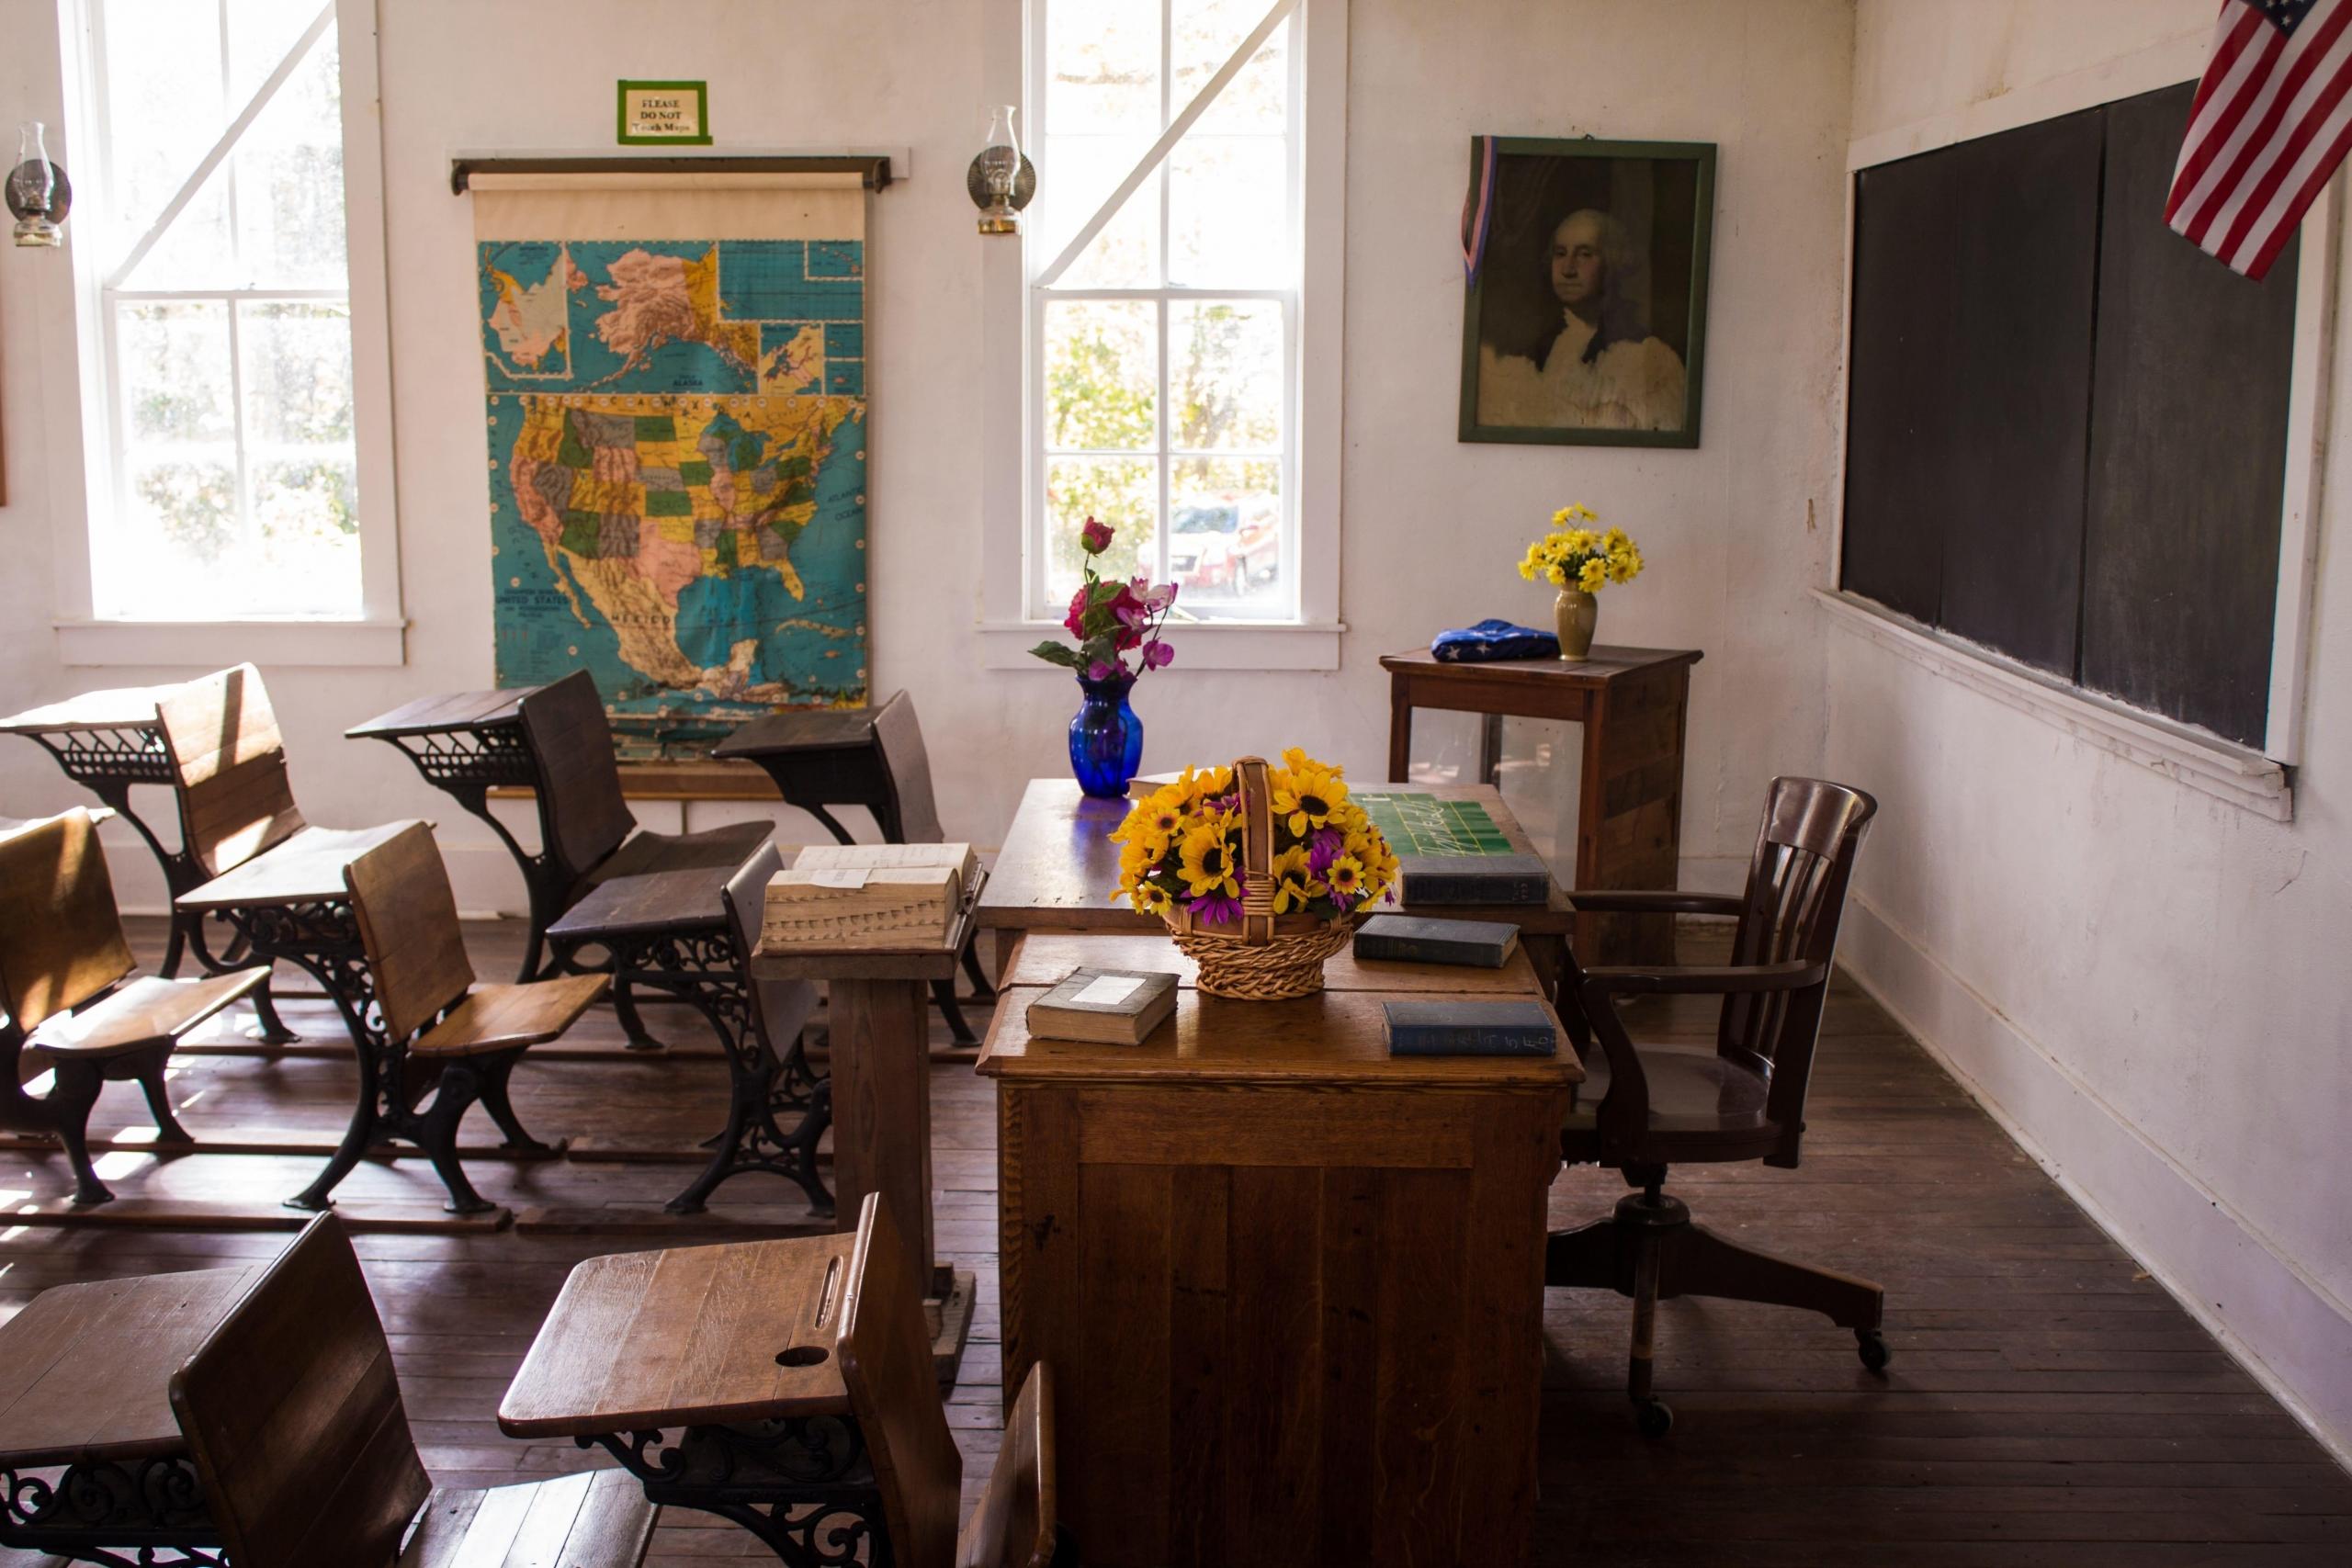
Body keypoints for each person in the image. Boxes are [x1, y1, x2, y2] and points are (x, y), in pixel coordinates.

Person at [1477, 208, 1687, 432]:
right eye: (1560, 253)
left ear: (1612, 262)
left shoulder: (1651, 359)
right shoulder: (1526, 350)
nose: (1567, 269)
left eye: (1585, 254)